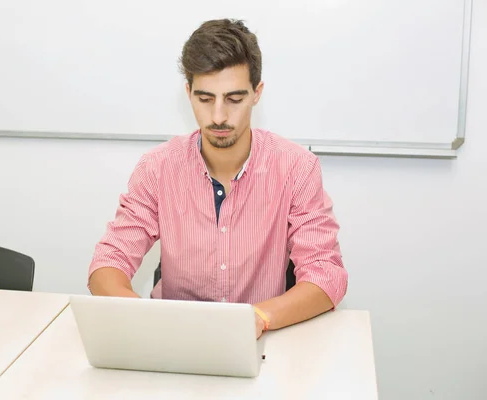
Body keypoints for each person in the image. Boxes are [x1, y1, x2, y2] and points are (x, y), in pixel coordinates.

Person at [88, 18, 348, 339]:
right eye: (205, 99)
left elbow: (326, 275)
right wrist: (144, 318)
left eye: (234, 99)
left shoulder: (296, 168)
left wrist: (258, 319)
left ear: (257, 93)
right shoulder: (158, 168)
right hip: (174, 341)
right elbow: (108, 262)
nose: (219, 116)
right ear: (189, 93)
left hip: (262, 338)